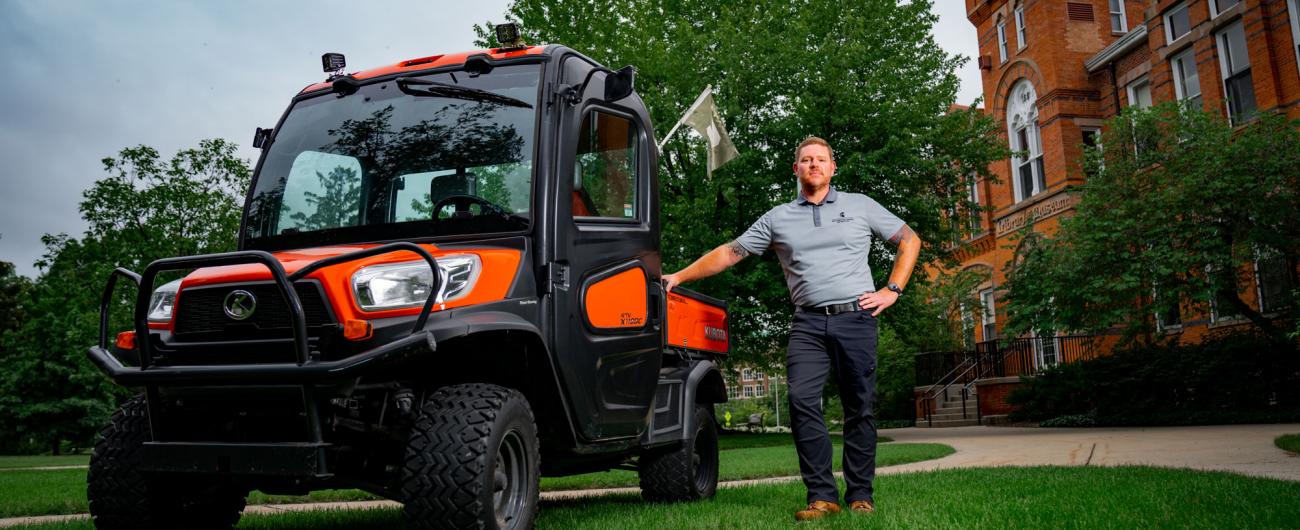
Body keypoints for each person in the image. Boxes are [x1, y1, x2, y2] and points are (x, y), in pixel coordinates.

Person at [662, 137, 921, 521]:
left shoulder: (860, 206)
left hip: (856, 318)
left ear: (833, 168)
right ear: (795, 169)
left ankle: (860, 494)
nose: (814, 165)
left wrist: (892, 289)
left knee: (859, 407)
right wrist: (678, 276)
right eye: (806, 160)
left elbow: (910, 240)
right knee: (801, 402)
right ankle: (822, 496)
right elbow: (730, 252)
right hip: (808, 323)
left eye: (821, 159)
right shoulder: (778, 218)